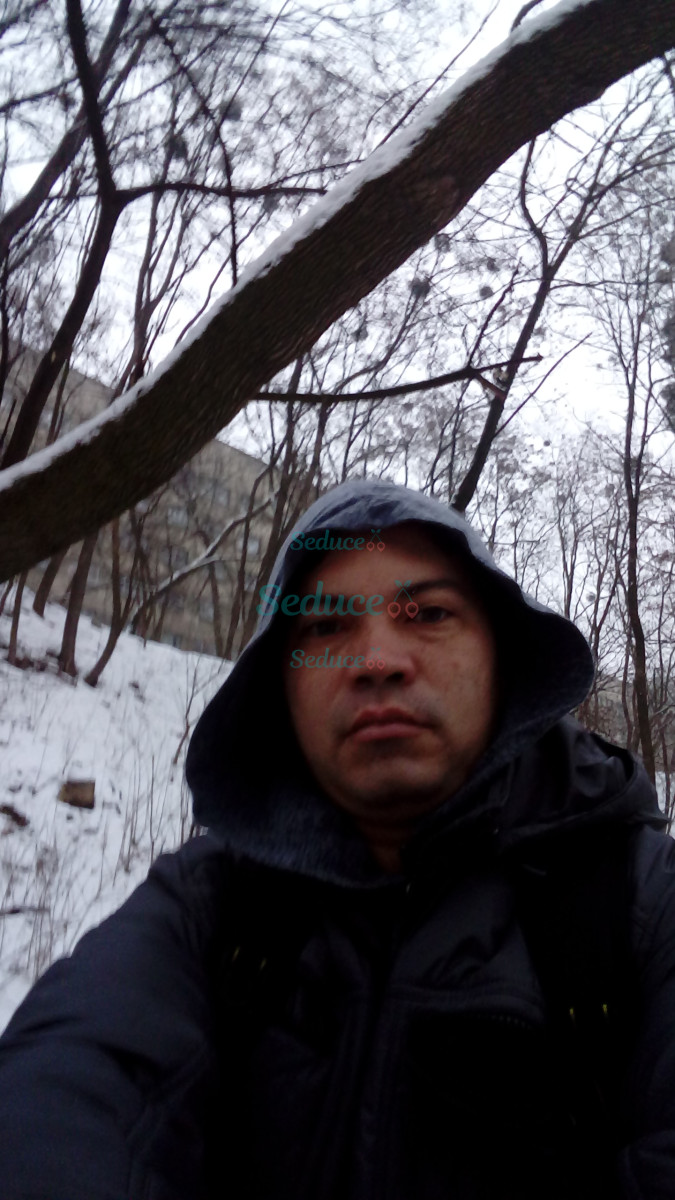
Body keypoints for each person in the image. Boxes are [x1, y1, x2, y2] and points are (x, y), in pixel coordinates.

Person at [0, 478, 673, 1200]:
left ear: (501, 660)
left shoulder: (640, 906)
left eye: (429, 613)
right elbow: (71, 1081)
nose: (376, 660)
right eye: (324, 627)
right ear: (279, 691)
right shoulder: (211, 904)